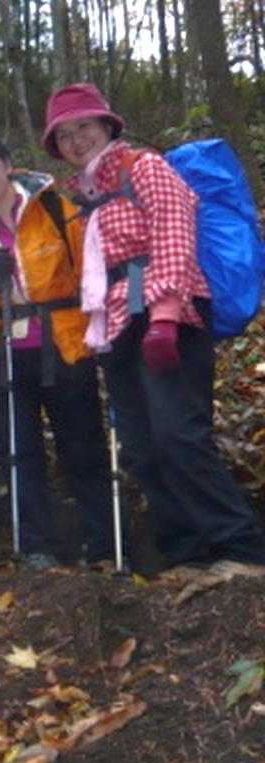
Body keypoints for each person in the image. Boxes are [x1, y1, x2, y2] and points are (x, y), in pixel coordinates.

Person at [42, 82, 265, 577]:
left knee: (180, 434)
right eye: (65, 134)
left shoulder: (144, 168)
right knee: (142, 444)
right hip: (119, 323)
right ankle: (186, 553)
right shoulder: (85, 193)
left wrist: (164, 317)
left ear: (107, 126)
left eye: (85, 127)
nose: (77, 140)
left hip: (172, 314)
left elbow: (173, 233)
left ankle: (241, 549)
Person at [0, 131, 115, 568]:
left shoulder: (54, 206)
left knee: (84, 447)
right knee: (18, 454)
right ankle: (39, 546)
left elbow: (91, 268)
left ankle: (105, 544)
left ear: (7, 163)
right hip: (1, 354)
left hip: (65, 344)